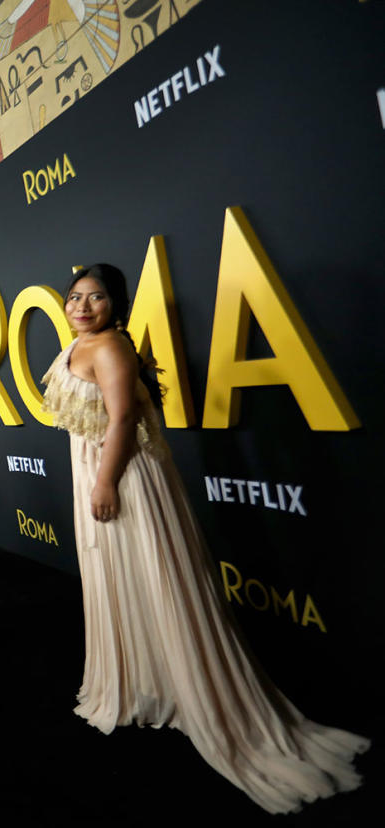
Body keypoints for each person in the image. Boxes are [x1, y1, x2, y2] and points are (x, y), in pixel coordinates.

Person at [40, 263, 368, 814]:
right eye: (75, 296)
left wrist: (103, 483)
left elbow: (121, 421)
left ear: (115, 306)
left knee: (156, 580)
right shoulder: (80, 344)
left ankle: (200, 693)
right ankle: (149, 679)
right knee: (126, 582)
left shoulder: (112, 348)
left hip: (122, 479)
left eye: (96, 298)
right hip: (100, 475)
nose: (82, 306)